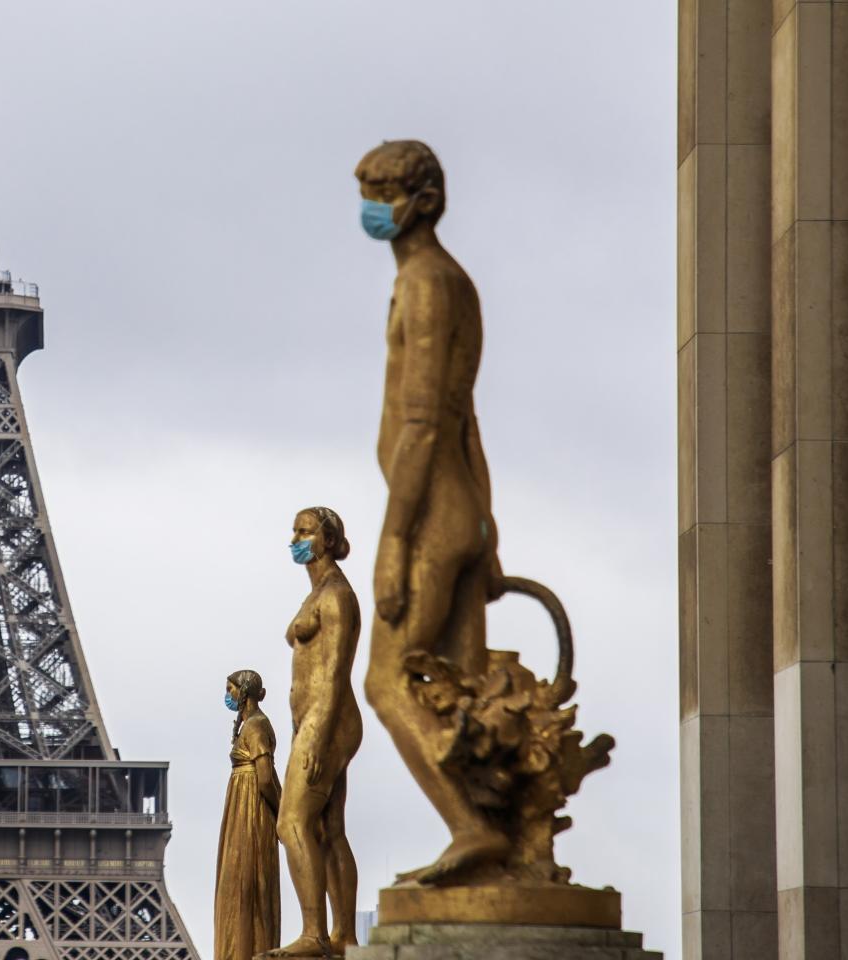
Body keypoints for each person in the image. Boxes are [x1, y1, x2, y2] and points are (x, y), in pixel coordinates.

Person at [356, 140, 508, 884]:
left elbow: (422, 422)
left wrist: (392, 540)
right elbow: (466, 415)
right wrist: (488, 527)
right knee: (462, 696)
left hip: (428, 516)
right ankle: (498, 850)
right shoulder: (454, 281)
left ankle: (471, 830)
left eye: (380, 191)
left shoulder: (424, 284)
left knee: (385, 684)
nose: (369, 207)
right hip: (460, 511)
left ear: (419, 200)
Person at [275, 507, 362, 956]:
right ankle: (342, 935)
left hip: (326, 720)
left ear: (327, 540)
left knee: (291, 822)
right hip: (313, 720)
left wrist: (318, 735)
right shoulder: (320, 593)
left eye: (304, 530)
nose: (295, 537)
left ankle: (314, 934)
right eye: (294, 530)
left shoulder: (336, 597)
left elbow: (333, 672)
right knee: (329, 829)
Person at [214, 669, 281, 960]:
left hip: (250, 808)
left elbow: (265, 778)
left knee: (245, 880)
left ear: (244, 692)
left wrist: (283, 815)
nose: (227, 696)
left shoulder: (255, 726)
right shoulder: (249, 725)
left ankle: (244, 950)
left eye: (230, 689)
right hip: (243, 804)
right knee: (241, 882)